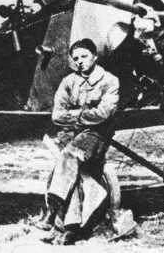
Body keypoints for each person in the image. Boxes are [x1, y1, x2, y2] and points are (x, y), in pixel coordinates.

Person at [42, 38, 120, 245]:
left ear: (95, 57)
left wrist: (75, 115)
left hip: (97, 135)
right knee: (72, 172)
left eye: (84, 56)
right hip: (73, 134)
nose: (80, 62)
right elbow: (56, 115)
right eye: (75, 58)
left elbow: (104, 114)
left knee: (68, 157)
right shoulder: (69, 81)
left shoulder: (109, 81)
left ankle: (53, 209)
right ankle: (71, 228)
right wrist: (83, 115)